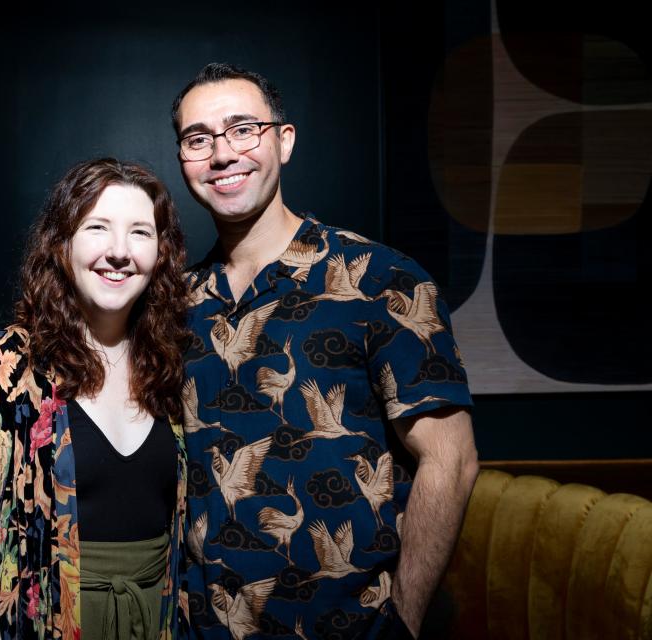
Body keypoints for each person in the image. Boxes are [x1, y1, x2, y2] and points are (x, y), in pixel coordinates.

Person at [172, 63, 479, 639]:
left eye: (243, 129)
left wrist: (404, 622)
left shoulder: (381, 279)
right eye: (199, 138)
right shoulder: (177, 304)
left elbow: (452, 461)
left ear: (284, 142)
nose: (221, 153)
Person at [0, 158, 191, 640]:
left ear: (161, 253)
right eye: (97, 227)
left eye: (140, 233)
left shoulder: (175, 365)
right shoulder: (6, 365)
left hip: (157, 618)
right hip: (42, 624)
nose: (119, 252)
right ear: (62, 244)